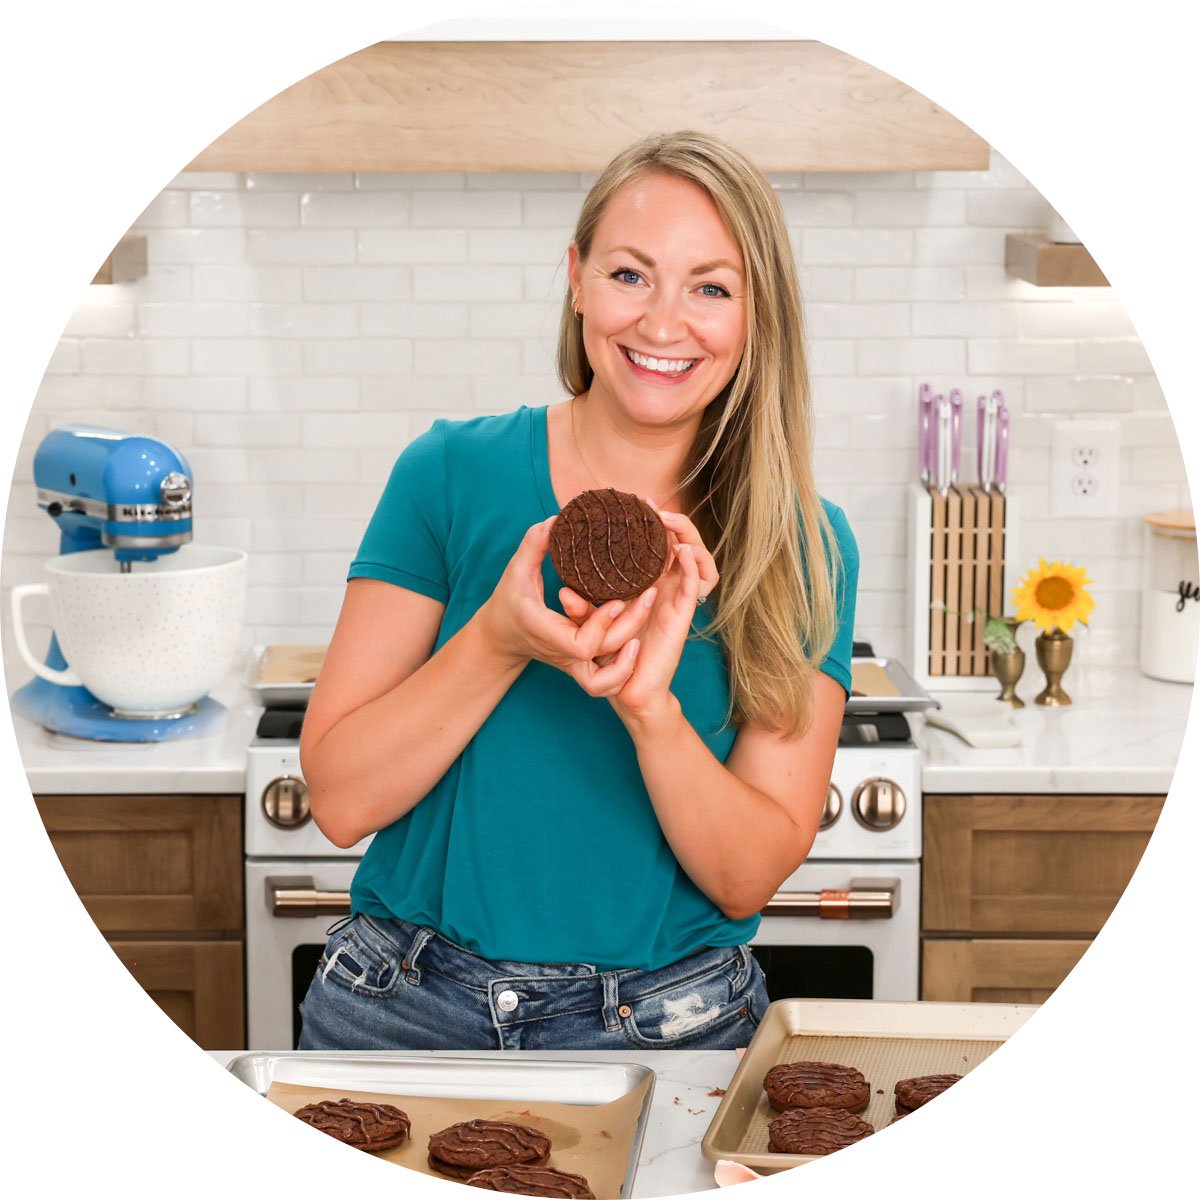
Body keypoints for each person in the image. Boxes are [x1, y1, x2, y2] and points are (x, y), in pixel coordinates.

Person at [296, 130, 858, 1052]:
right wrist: (498, 640)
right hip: (400, 1012)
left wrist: (649, 708)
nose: (663, 324)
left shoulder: (803, 545)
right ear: (577, 277)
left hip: (675, 1030)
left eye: (710, 288)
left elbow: (745, 879)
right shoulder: (448, 475)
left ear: (758, 315)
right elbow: (340, 802)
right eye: (631, 275)